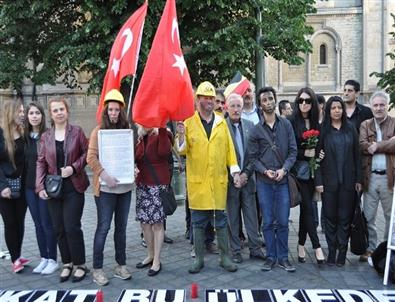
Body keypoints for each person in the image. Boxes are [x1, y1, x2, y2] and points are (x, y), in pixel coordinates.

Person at [175, 81, 240, 274]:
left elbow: (230, 149)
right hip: (198, 183)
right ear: (198, 100)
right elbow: (181, 150)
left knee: (220, 219)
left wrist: (235, 171)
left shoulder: (221, 122)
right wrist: (180, 135)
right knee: (198, 222)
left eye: (212, 97)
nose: (210, 101)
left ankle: (225, 258)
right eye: (206, 97)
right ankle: (199, 259)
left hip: (218, 181)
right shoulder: (187, 123)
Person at [36, 98, 90, 282]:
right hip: (53, 188)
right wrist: (39, 186)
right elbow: (41, 161)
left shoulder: (77, 132)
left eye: (61, 109)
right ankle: (67, 263)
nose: (59, 113)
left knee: (72, 226)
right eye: (55, 110)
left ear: (67, 111)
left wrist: (73, 168)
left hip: (74, 186)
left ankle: (80, 264)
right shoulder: (46, 136)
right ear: (50, 114)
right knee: (58, 228)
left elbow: (87, 153)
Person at [249, 86, 297, 272]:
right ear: (260, 105)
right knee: (268, 221)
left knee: (283, 221)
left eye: (270, 98)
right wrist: (264, 171)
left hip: (283, 181)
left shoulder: (286, 125)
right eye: (264, 100)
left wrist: (284, 169)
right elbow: (252, 158)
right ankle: (270, 257)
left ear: (275, 100)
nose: (268, 102)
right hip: (264, 183)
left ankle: (283, 258)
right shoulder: (255, 130)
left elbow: (293, 151)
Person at [87, 89, 132, 286]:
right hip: (105, 190)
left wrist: (133, 169)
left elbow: (130, 157)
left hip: (124, 188)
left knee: (121, 229)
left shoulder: (127, 131)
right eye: (110, 109)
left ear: (121, 111)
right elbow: (91, 157)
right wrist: (104, 174)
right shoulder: (98, 132)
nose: (113, 113)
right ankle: (97, 269)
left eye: (117, 110)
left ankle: (120, 266)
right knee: (103, 228)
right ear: (106, 111)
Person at [315, 96, 362, 266]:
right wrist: (318, 181)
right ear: (328, 111)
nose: (337, 110)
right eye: (333, 108)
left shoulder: (351, 129)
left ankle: (342, 252)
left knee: (345, 218)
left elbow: (357, 156)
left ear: (343, 110)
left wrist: (359, 179)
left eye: (339, 108)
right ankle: (331, 251)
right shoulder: (322, 131)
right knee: (330, 218)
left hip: (348, 183)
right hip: (328, 183)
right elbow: (316, 160)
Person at [225, 93, 265, 264]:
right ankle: (235, 250)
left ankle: (255, 248)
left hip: (248, 180)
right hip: (229, 181)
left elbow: (254, 154)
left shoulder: (251, 126)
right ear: (227, 107)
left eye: (238, 106)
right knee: (232, 217)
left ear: (243, 108)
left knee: (251, 216)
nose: (236, 109)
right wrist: (234, 175)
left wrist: (246, 174)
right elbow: (220, 156)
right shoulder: (221, 127)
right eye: (232, 106)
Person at [289, 88, 325, 265]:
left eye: (308, 101)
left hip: (312, 172)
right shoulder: (291, 122)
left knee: (306, 211)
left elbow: (320, 147)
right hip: (298, 173)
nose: (304, 104)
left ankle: (301, 245)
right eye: (301, 100)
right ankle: (317, 247)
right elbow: (290, 150)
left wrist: (319, 155)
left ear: (313, 104)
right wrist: (306, 153)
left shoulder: (316, 123)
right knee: (309, 208)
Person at [359, 91, 395, 262]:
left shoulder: (394, 123)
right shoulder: (365, 125)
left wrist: (378, 145)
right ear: (371, 107)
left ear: (387, 106)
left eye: (382, 105)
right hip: (370, 177)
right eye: (375, 105)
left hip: (390, 178)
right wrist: (389, 144)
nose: (379, 108)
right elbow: (362, 145)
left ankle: (387, 248)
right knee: (369, 215)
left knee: (390, 216)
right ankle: (371, 248)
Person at [24, 103, 58, 274]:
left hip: (44, 187)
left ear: (42, 116)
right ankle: (43, 258)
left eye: (37, 113)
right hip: (29, 188)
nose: (34, 116)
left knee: (47, 224)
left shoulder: (48, 135)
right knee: (37, 224)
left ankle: (53, 259)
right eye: (31, 113)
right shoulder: (25, 137)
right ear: (27, 117)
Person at [134, 125, 173, 277]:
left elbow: (164, 152)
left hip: (158, 185)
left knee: (157, 223)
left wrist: (162, 129)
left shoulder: (163, 133)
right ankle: (150, 255)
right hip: (143, 184)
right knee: (144, 223)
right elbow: (137, 157)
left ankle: (157, 260)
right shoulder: (141, 136)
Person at [0, 99, 29, 273]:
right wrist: (2, 186)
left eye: (23, 111)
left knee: (20, 222)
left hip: (22, 186)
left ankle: (17, 254)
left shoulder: (23, 133)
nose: (22, 114)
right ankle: (14, 259)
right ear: (10, 113)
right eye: (19, 111)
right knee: (10, 222)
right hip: (4, 188)